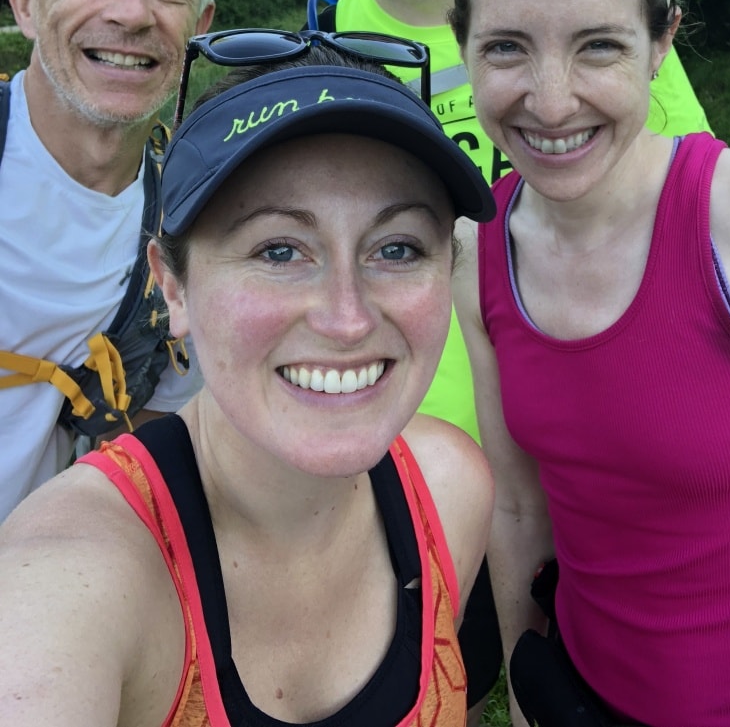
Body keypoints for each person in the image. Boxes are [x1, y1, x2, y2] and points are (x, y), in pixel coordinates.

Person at [313, 0, 712, 718]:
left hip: (603, 502)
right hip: (388, 516)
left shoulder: (597, 22)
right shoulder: (311, 67)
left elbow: (702, 245)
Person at [0, 36, 496, 726]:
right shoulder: (67, 584)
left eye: (397, 247)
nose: (347, 318)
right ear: (173, 286)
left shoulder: (449, 492)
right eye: (280, 250)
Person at [450, 0, 730, 727]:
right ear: (462, 43)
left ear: (662, 42)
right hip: (586, 697)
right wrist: (527, 688)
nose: (550, 101)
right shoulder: (477, 247)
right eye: (506, 46)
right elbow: (518, 506)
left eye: (599, 46)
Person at [0, 0, 218, 521]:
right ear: (25, 1)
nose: (131, 11)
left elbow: (154, 436)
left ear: (199, 26)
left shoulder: (193, 223)